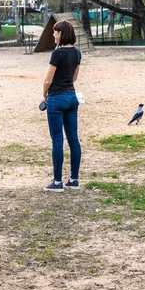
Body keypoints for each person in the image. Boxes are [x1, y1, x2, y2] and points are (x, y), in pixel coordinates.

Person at [42, 20, 82, 192]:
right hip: (72, 97)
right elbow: (74, 77)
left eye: (55, 32)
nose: (53, 35)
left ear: (61, 34)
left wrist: (44, 93)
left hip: (56, 99)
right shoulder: (77, 53)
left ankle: (57, 182)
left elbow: (48, 79)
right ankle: (74, 179)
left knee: (57, 139)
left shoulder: (57, 54)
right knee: (73, 138)